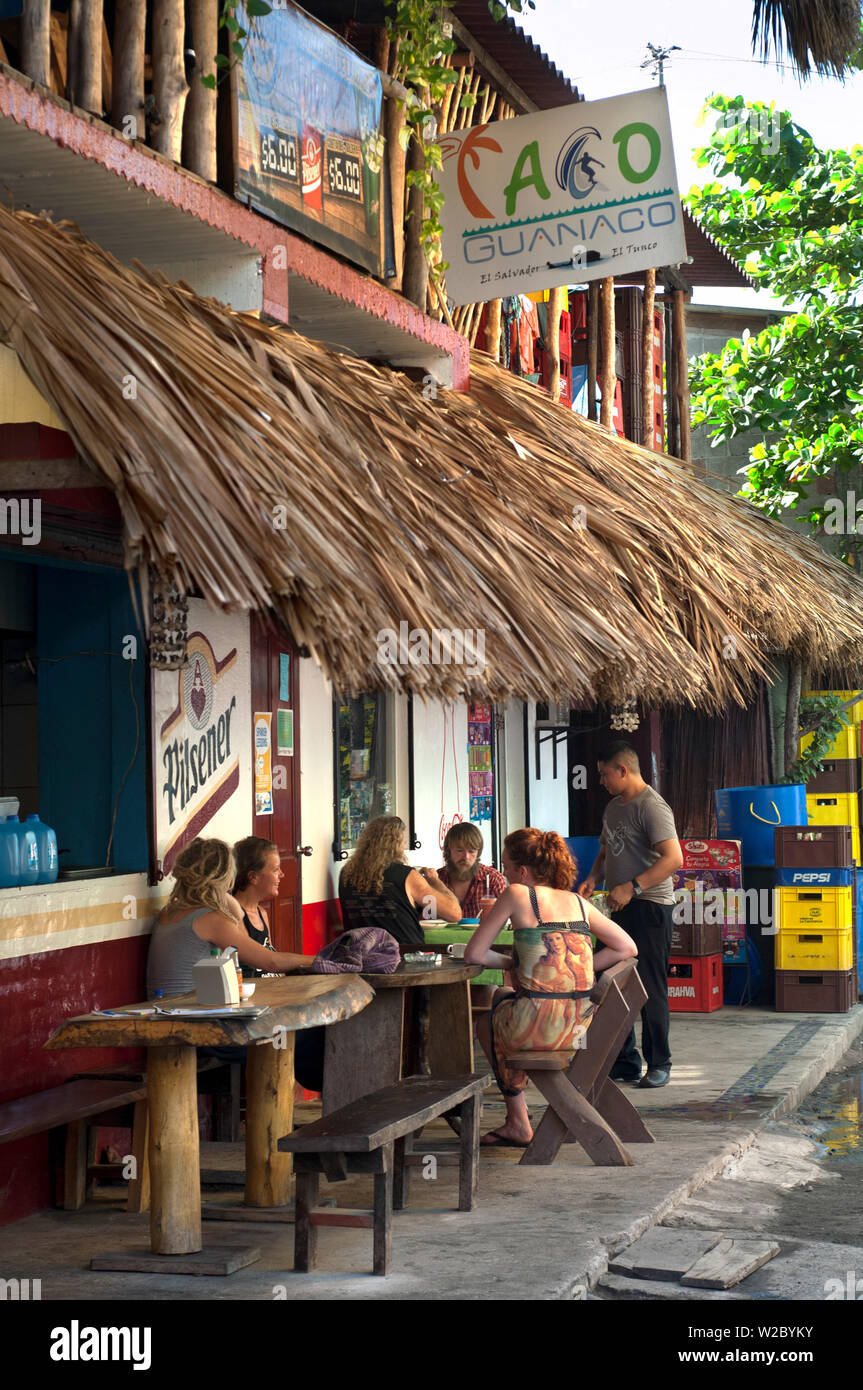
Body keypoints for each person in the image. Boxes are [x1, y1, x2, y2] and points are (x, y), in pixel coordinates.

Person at [465, 827, 637, 1147]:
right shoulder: (578, 902)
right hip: (581, 1027)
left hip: (540, 1028)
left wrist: (513, 964)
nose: (504, 873)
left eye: (506, 866)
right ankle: (518, 1118)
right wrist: (580, 968)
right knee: (506, 1000)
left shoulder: (517, 894)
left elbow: (474, 954)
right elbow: (626, 947)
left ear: (523, 871)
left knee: (486, 1019)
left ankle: (517, 1118)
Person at [578, 742, 683, 1089]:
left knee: (649, 986)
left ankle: (660, 1062)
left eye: (605, 774)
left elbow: (674, 859)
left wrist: (633, 887)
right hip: (617, 907)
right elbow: (607, 851)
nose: (602, 781)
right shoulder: (612, 807)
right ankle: (624, 1061)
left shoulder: (652, 807)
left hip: (651, 906)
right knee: (610, 983)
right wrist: (594, 878)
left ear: (623, 770)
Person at [147, 837, 314, 998]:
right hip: (188, 1013)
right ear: (224, 877)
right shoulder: (212, 919)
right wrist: (318, 960)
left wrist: (215, 889)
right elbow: (271, 963)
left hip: (163, 1006)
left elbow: (237, 914)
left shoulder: (170, 911)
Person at [338, 814, 461, 946]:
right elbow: (454, 913)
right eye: (403, 842)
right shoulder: (408, 876)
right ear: (397, 844)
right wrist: (434, 880)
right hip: (404, 956)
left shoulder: (347, 874)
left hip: (360, 956)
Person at [232, 836, 283, 977]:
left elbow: (275, 965)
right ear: (253, 877)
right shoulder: (233, 916)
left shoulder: (261, 913)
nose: (281, 874)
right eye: (275, 870)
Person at [437, 823, 507, 918]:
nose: (466, 857)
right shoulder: (437, 879)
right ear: (448, 851)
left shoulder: (493, 879)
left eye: (471, 851)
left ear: (478, 853)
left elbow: (507, 919)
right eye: (460, 850)